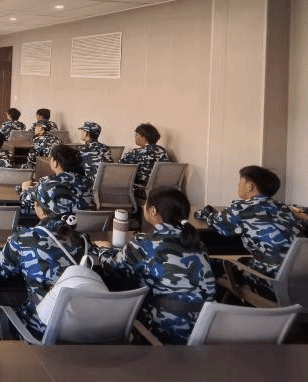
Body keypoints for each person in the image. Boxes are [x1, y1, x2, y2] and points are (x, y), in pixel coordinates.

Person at [96, 187, 215, 345]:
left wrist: (104, 249)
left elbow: (112, 269)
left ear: (153, 211)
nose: (143, 206)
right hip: (204, 328)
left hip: (163, 328)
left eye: (146, 203)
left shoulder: (144, 243)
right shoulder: (197, 243)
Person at [0, 184, 90, 341]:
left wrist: (2, 247)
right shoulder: (83, 240)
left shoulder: (24, 238)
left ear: (41, 210)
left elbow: (0, 268)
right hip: (81, 326)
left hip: (40, 329)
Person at [194, 166, 300, 294]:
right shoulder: (284, 208)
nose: (238, 185)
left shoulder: (241, 208)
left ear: (250, 186)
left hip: (269, 280)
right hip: (298, 281)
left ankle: (220, 303)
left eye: (240, 181)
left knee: (206, 264)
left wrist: (206, 214)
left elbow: (217, 223)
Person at [17, 145, 94, 218]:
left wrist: (24, 189)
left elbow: (26, 200)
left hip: (60, 226)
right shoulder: (87, 181)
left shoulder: (48, 183)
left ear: (55, 163)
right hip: (85, 225)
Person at [119, 123, 171, 199]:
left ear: (144, 137)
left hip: (141, 190)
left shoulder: (136, 153)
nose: (135, 137)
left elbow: (119, 169)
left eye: (137, 135)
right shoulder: (162, 151)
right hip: (162, 190)